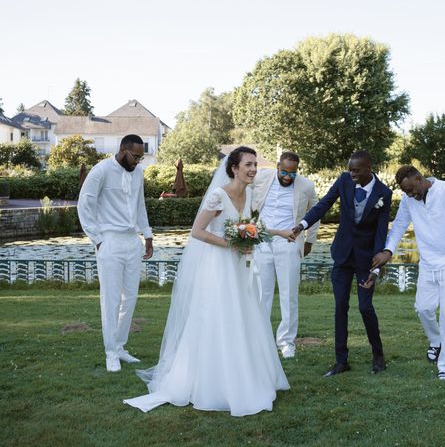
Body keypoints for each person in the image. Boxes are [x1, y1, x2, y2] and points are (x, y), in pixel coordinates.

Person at [124, 146, 289, 416]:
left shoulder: (247, 194)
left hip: (239, 268)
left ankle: (247, 376)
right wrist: (231, 244)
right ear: (234, 168)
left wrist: (279, 232)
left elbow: (250, 227)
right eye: (248, 164)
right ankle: (213, 383)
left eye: (255, 164)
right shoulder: (217, 195)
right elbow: (198, 232)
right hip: (219, 267)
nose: (253, 169)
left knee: (245, 316)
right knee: (219, 318)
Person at [291, 151, 392, 376]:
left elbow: (381, 232)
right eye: (350, 169)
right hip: (342, 255)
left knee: (365, 307)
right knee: (340, 307)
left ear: (369, 167)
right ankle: (341, 360)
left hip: (367, 259)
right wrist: (302, 225)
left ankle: (378, 355)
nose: (351, 173)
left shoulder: (384, 193)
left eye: (356, 170)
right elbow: (324, 205)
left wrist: (376, 267)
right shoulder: (344, 180)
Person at [369, 166, 445, 380]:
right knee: (423, 308)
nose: (411, 195)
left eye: (412, 189)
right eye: (406, 192)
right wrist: (388, 251)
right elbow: (399, 225)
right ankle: (436, 341)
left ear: (420, 178)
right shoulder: (409, 199)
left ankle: (444, 365)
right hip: (427, 263)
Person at [77, 134, 153, 373]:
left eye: (141, 157)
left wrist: (147, 234)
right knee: (110, 299)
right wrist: (97, 240)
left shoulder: (138, 173)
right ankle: (110, 352)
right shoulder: (101, 170)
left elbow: (140, 205)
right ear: (122, 149)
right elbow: (84, 204)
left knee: (129, 298)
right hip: (109, 241)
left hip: (132, 242)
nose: (138, 161)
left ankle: (120, 347)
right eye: (135, 156)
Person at [252, 151, 319, 359]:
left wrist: (309, 240)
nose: (288, 177)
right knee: (261, 294)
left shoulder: (306, 186)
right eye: (284, 172)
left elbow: (314, 214)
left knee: (289, 294)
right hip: (262, 242)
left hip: (289, 243)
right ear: (277, 165)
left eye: (293, 173)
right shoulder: (261, 177)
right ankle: (260, 339)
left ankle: (286, 342)